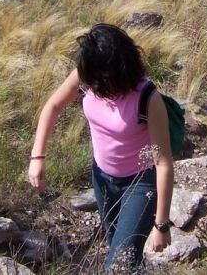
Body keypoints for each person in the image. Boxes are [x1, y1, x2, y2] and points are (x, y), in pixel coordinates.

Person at [28, 24, 174, 271]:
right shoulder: (87, 75)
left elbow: (163, 163)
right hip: (102, 178)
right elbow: (52, 106)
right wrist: (38, 156)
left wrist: (161, 224)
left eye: (97, 80)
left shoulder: (147, 97)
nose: (91, 86)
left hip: (140, 185)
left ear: (114, 72)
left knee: (117, 265)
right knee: (121, 252)